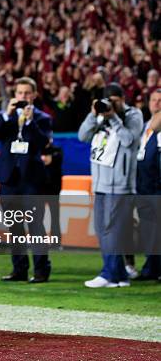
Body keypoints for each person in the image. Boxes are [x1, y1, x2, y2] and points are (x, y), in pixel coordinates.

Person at [78, 83, 143, 288]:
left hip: (121, 185)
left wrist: (113, 118)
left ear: (123, 99)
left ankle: (110, 274)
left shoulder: (134, 115)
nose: (111, 105)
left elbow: (129, 140)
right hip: (100, 183)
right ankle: (118, 275)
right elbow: (82, 136)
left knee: (112, 230)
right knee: (101, 229)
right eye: (108, 101)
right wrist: (93, 115)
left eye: (115, 100)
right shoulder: (100, 117)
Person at [0, 77, 53, 283]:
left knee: (36, 226)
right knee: (14, 226)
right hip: (8, 179)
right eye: (19, 93)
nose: (23, 97)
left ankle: (41, 270)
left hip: (31, 180)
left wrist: (30, 121)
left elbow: (43, 143)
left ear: (34, 95)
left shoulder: (42, 118)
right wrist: (6, 114)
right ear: (14, 95)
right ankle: (19, 269)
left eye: (27, 93)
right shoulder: (6, 117)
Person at [134, 89, 161, 281]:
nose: (157, 103)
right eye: (154, 100)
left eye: (160, 100)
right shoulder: (143, 127)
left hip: (157, 185)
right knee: (149, 229)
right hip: (143, 186)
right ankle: (151, 267)